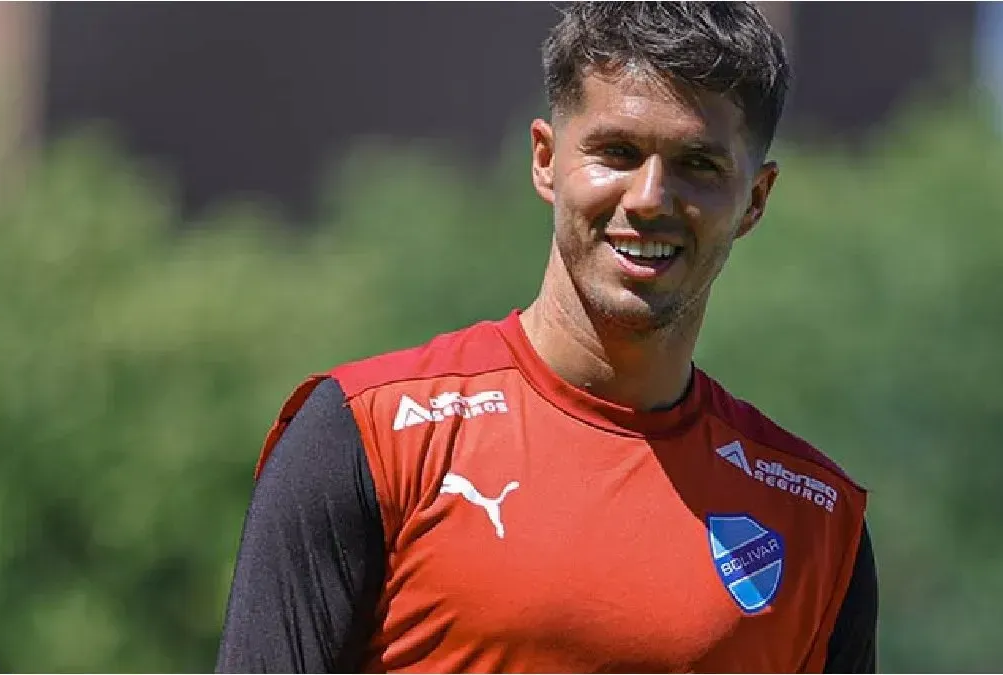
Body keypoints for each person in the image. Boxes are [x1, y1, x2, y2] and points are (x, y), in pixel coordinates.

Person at [215, 2, 878, 673]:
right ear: (546, 159)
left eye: (698, 164)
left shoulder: (814, 519)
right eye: (617, 151)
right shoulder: (369, 432)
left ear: (755, 200)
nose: (650, 196)